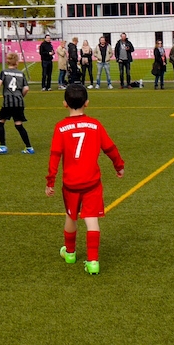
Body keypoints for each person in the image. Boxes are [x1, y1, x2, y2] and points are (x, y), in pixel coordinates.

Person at [45, 84, 125, 276]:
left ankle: (70, 253)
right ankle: (93, 262)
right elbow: (110, 147)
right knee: (91, 220)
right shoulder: (95, 125)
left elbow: (55, 155)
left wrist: (50, 181)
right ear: (87, 103)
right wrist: (119, 165)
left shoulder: (60, 127)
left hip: (71, 184)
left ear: (64, 104)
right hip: (91, 183)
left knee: (71, 216)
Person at [0, 52, 34, 155]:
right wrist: (20, 96)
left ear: (8, 61)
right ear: (17, 62)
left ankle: (2, 146)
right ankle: (29, 147)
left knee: (0, 122)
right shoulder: (21, 74)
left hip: (8, 102)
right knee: (19, 124)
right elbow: (26, 88)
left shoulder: (4, 72)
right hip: (19, 102)